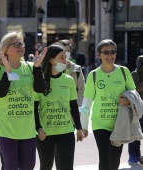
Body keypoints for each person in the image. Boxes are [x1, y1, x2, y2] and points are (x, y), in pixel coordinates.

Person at [0, 31, 47, 170]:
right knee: (11, 166)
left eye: (22, 44)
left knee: (28, 166)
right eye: (16, 44)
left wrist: (37, 68)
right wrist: (8, 72)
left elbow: (40, 89)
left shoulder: (31, 67)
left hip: (27, 128)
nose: (21, 47)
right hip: (6, 127)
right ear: (6, 49)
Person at [80, 39, 136, 170]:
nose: (110, 55)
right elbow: (86, 103)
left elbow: (134, 94)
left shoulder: (124, 72)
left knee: (115, 159)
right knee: (105, 158)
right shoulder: (93, 75)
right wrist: (83, 126)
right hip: (100, 124)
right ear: (99, 55)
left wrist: (127, 100)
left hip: (119, 124)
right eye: (106, 52)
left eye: (112, 52)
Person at [35, 43, 84, 170]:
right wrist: (38, 128)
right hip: (45, 133)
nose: (65, 60)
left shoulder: (69, 80)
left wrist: (79, 128)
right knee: (46, 167)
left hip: (66, 132)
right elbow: (34, 108)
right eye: (61, 57)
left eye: (65, 57)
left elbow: (73, 106)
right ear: (51, 60)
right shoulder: (40, 81)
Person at [54, 39, 85, 170]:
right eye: (62, 50)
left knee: (66, 147)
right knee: (55, 147)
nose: (65, 53)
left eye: (67, 51)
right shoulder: (49, 67)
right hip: (53, 113)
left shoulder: (76, 69)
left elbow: (81, 91)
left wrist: (76, 108)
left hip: (70, 114)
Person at [128, 55, 143, 164]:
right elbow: (133, 90)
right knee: (135, 135)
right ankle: (134, 157)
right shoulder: (134, 74)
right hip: (137, 108)